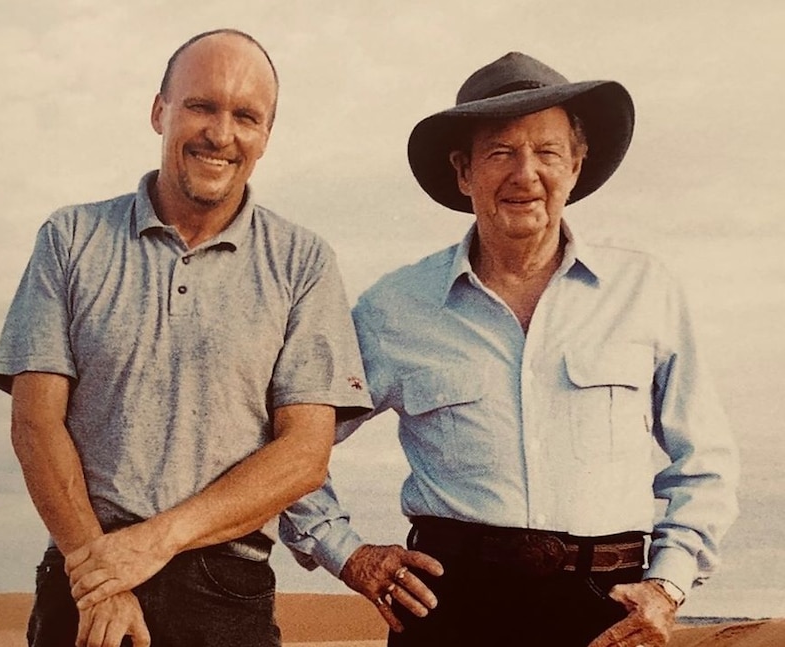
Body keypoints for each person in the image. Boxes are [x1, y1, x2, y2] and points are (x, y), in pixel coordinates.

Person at [281, 51, 739, 647]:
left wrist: (668, 585)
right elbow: (291, 445)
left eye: (547, 151)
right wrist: (345, 551)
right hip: (451, 610)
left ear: (576, 165)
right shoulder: (394, 308)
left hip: (610, 614)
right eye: (500, 152)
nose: (525, 173)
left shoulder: (645, 292)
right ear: (463, 171)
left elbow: (706, 460)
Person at [0, 29, 371, 647]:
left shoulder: (304, 262)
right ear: (159, 110)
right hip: (84, 579)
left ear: (266, 136)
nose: (222, 133)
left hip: (227, 590)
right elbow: (35, 423)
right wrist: (106, 581)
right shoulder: (71, 238)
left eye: (246, 116)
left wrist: (151, 543)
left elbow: (305, 452)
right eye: (201, 105)